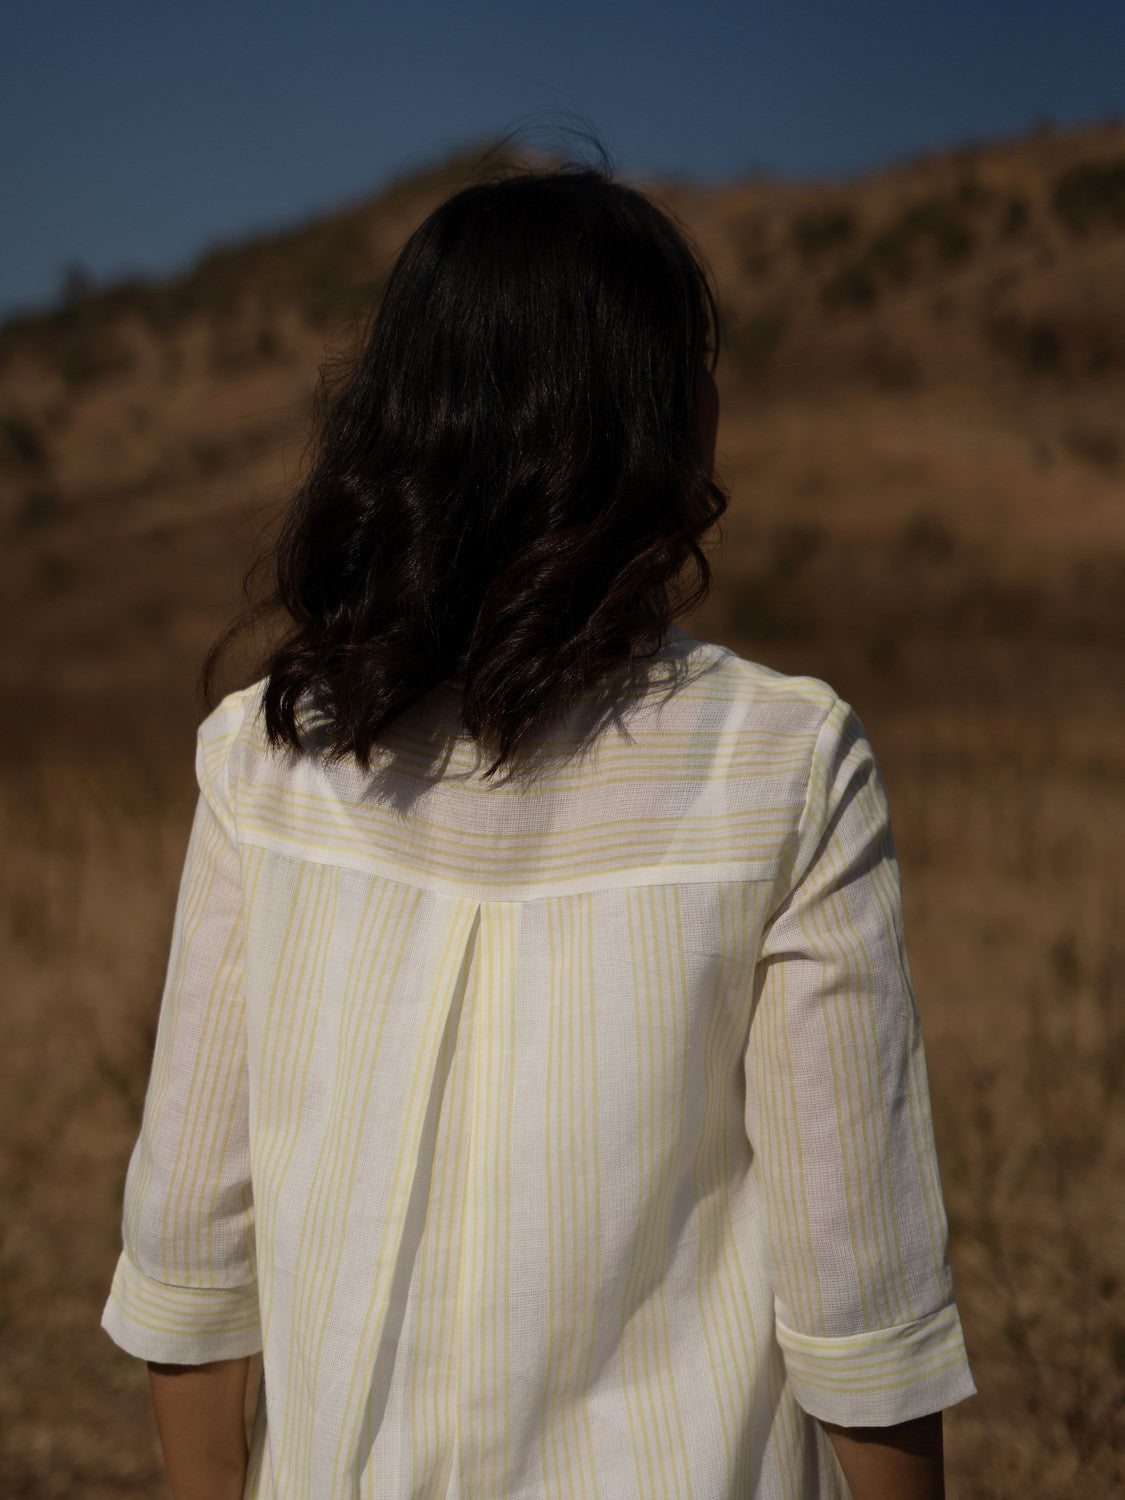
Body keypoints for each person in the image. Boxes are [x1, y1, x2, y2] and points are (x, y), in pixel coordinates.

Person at [101, 156, 976, 1499]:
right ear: (655, 421)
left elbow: (186, 1258)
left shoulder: (267, 762)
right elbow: (858, 1306)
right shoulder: (783, 764)